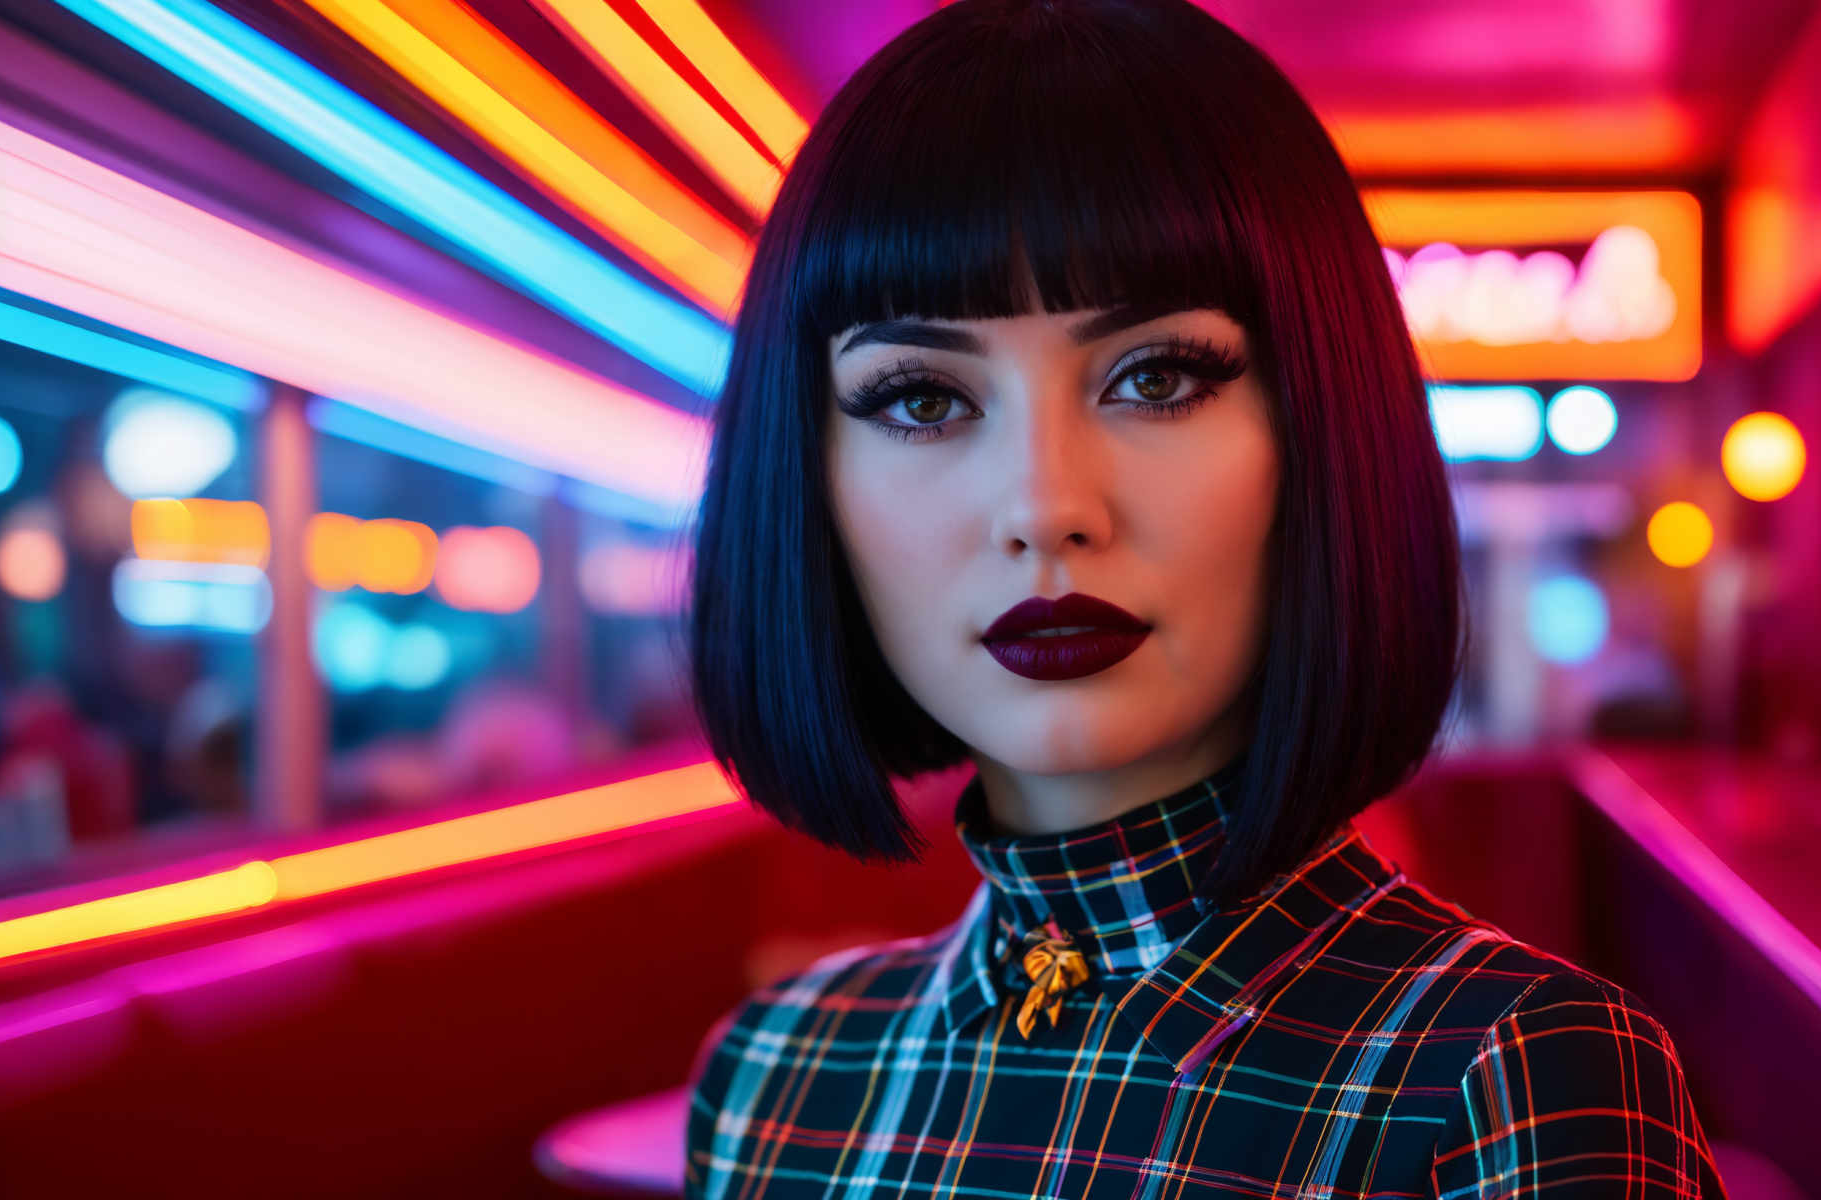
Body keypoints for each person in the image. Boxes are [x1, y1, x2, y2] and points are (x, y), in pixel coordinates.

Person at [682, 1, 1728, 1195]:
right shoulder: (775, 1080)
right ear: (803, 472)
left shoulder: (1510, 1080)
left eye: (1154, 377)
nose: (1045, 504)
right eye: (922, 400)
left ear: (1315, 430)